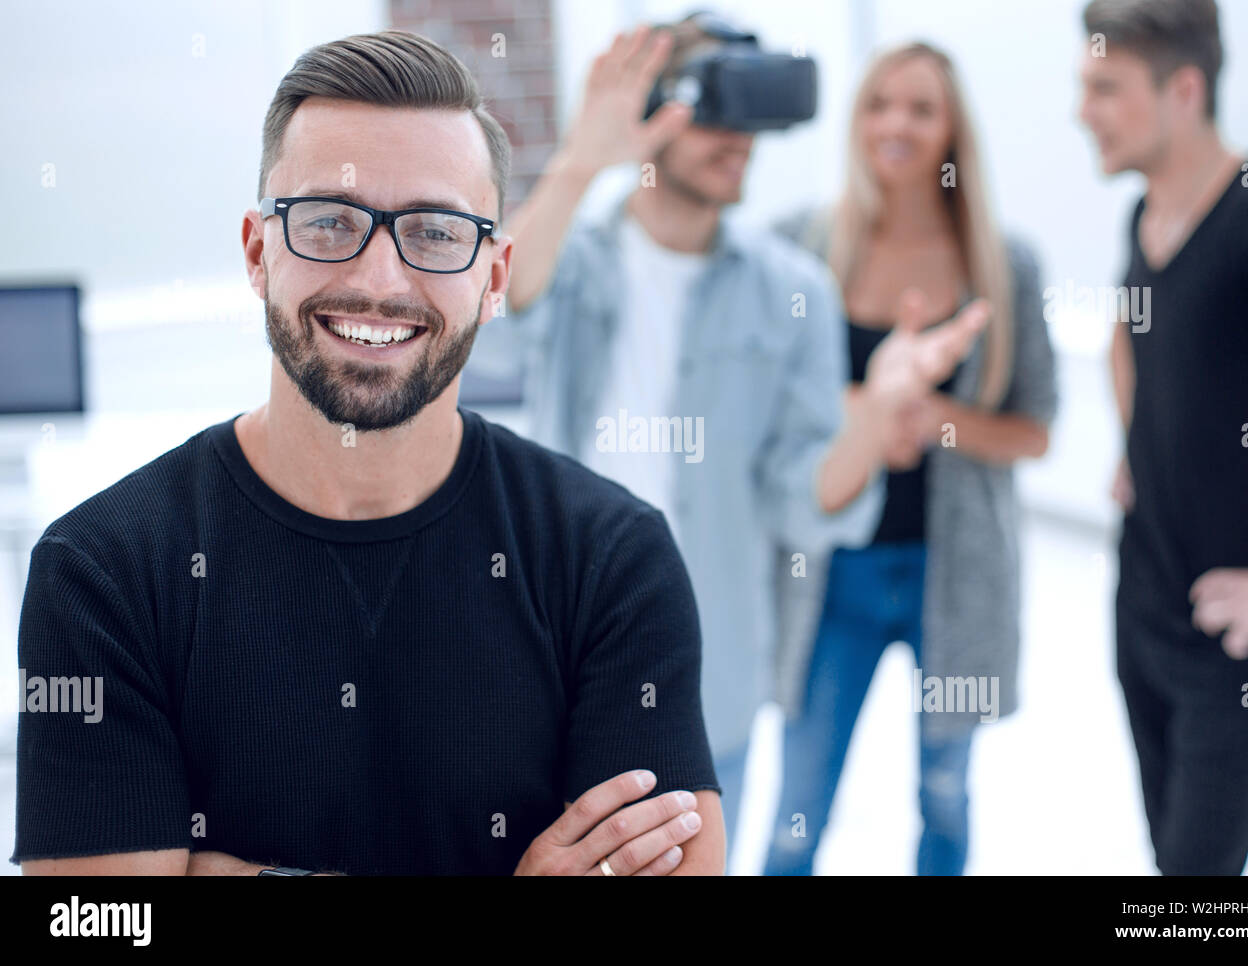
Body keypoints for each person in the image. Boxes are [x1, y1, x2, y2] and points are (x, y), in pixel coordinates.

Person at [12, 29, 727, 876]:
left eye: (434, 232)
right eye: (328, 223)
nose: (381, 281)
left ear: (494, 278)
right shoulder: (104, 570)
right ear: (257, 251)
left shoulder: (609, 558)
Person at [472, 12, 990, 868]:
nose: (738, 136)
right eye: (714, 106)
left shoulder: (793, 292)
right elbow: (487, 324)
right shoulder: (575, 256)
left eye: (753, 113)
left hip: (707, 680)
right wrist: (579, 160)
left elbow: (806, 501)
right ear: (654, 115)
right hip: (551, 665)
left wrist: (873, 413)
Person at [764, 42, 1058, 876]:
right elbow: (773, 418)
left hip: (952, 576)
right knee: (797, 804)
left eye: (921, 107)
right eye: (879, 104)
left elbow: (1035, 430)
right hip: (829, 577)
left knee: (943, 794)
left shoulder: (1006, 267)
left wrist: (938, 422)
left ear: (953, 131)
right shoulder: (802, 249)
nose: (896, 123)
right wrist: (869, 411)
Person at [1079, 0, 1248, 874]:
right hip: (1144, 602)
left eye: (1104, 87)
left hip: (1234, 636)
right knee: (1167, 860)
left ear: (1183, 89)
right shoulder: (1144, 215)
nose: (1081, 110)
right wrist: (1132, 449)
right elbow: (1130, 336)